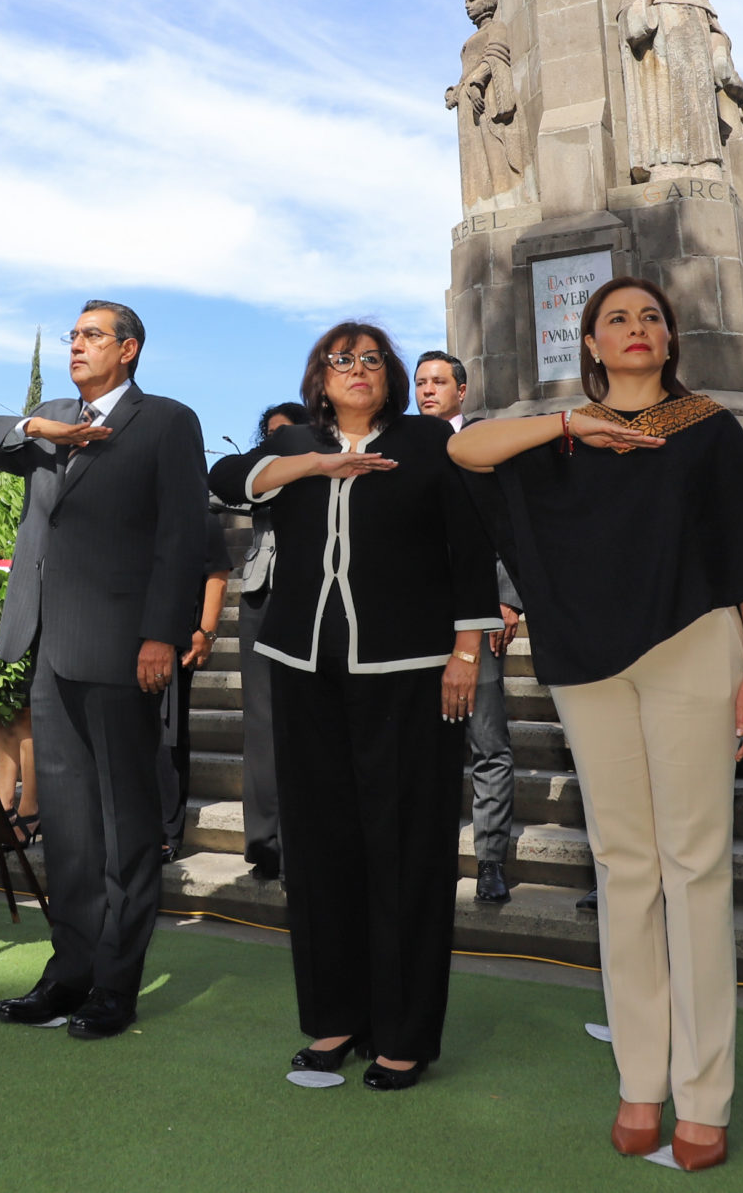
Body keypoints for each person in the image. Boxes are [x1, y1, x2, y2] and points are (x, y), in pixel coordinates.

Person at [451, 277, 743, 1171]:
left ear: (672, 336)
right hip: (585, 660)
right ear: (590, 342)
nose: (638, 327)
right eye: (617, 317)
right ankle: (640, 1082)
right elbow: (467, 451)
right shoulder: (557, 437)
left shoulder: (704, 429)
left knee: (694, 864)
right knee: (622, 867)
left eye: (652, 315)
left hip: (696, 643)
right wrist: (567, 424)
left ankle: (705, 1093)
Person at [214, 322, 498, 1090]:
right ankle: (336, 1017)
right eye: (342, 359)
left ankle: (403, 1032)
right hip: (303, 668)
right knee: (319, 847)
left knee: (406, 847)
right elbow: (227, 477)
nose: (358, 369)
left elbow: (470, 547)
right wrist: (316, 461)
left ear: (392, 374)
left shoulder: (427, 441)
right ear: (320, 373)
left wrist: (466, 650)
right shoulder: (294, 444)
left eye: (372, 358)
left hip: (410, 669)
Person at [0, 299, 207, 1041]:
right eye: (72, 335)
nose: (76, 345)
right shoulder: (50, 418)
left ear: (128, 350)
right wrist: (39, 427)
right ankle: (67, 971)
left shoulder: (166, 420)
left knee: (126, 823)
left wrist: (163, 633)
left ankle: (114, 985)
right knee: (65, 825)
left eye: (92, 335)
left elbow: (183, 533)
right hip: (48, 646)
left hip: (124, 647)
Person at [413, 350, 523, 905]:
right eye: (420, 382)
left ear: (462, 391)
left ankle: (489, 861)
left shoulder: (486, 449)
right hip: (410, 624)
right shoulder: (401, 449)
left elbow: (508, 527)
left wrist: (506, 601)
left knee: (488, 742)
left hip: (476, 619)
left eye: (438, 382)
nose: (427, 391)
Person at [231, 400, 309, 880]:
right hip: (260, 597)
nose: (278, 443)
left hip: (311, 597)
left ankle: (306, 838)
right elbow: (231, 495)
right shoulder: (254, 469)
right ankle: (263, 843)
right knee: (261, 725)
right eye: (271, 435)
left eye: (289, 435)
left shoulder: (323, 464)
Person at [156, 510, 233, 860]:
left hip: (175, 640)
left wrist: (206, 632)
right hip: (124, 636)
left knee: (167, 740)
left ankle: (167, 831)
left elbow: (217, 573)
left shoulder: (198, 514)